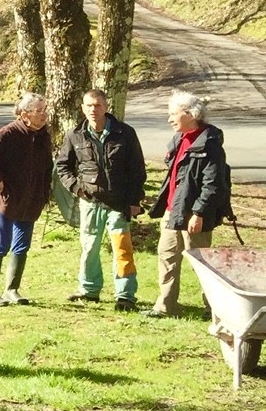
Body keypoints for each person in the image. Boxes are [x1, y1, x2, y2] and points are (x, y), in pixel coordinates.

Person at [55, 89, 147, 312]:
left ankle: (125, 296)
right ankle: (89, 290)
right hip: (90, 202)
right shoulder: (74, 135)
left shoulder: (125, 133)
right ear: (83, 108)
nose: (93, 110)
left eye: (97, 105)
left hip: (119, 203)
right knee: (89, 248)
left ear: (106, 107)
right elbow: (63, 166)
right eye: (88, 106)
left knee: (122, 249)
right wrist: (76, 188)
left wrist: (135, 200)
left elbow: (137, 170)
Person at [145, 91, 233, 317]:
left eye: (173, 114)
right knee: (166, 257)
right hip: (172, 211)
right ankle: (166, 307)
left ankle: (214, 309)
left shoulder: (210, 144)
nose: (169, 119)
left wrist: (199, 212)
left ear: (191, 114)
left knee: (202, 263)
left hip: (194, 215)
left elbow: (213, 184)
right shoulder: (178, 140)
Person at [0, 93, 53, 306]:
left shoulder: (44, 135)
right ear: (25, 114)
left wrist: (45, 193)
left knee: (22, 246)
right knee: (1, 244)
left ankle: (12, 290)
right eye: (40, 110)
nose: (45, 114)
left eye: (45, 109)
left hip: (31, 201)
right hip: (7, 200)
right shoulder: (9, 133)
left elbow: (47, 167)